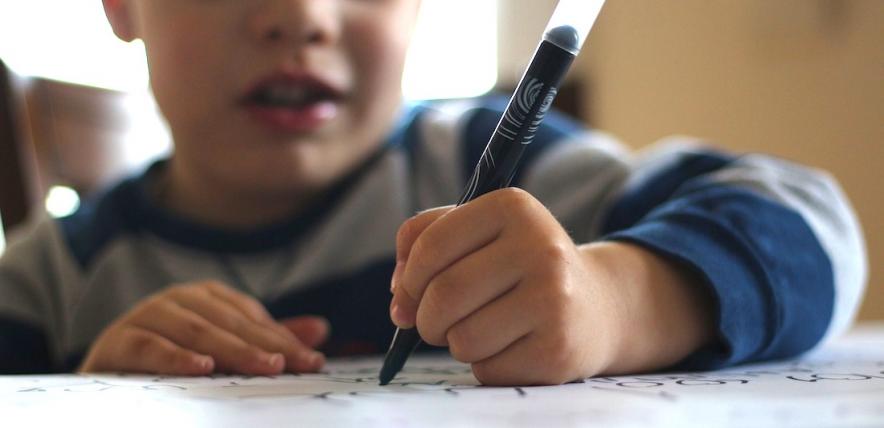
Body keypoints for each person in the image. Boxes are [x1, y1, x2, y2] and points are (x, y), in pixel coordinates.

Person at [0, 0, 866, 385]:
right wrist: (83, 400)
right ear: (120, 4)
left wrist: (617, 298)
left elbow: (813, 220)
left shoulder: (484, 166)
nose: (302, 13)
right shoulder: (50, 281)